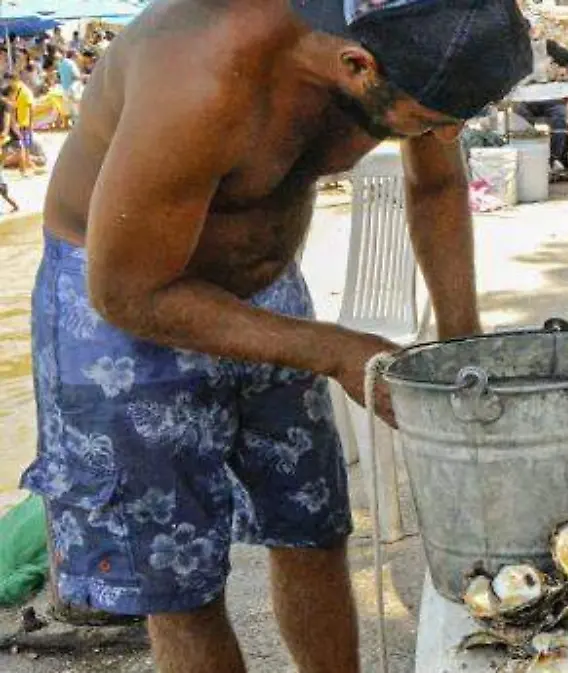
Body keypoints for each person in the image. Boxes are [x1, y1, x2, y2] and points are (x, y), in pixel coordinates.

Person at [21, 2, 532, 672]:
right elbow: (128, 292)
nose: (449, 133)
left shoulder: (406, 39)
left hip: (263, 290)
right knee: (185, 588)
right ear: (356, 66)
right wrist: (334, 347)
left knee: (314, 528)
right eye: (437, 119)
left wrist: (463, 345)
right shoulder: (206, 71)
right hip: (121, 311)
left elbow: (436, 187)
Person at [517, 19, 568, 173]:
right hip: (525, 101)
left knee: (559, 116)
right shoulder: (512, 54)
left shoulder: (547, 47)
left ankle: (555, 158)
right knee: (519, 120)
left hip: (550, 98)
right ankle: (528, 162)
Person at [6, 74, 34, 177]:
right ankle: (26, 167)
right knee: (25, 147)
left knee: (22, 147)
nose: (8, 83)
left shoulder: (17, 90)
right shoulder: (25, 90)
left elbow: (13, 108)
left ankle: (24, 169)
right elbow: (31, 108)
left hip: (21, 123)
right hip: (24, 123)